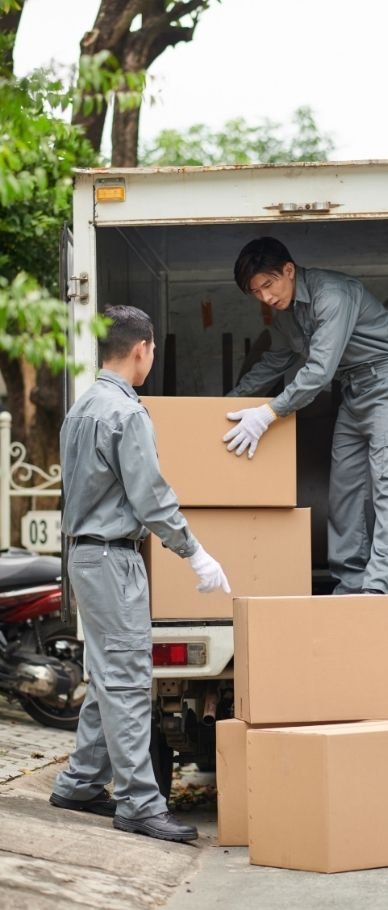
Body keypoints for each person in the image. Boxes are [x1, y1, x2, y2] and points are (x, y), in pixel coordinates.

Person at [50, 305, 230, 843]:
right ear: (141, 350)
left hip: (84, 555)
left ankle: (80, 783)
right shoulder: (126, 413)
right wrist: (195, 553)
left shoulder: (81, 408)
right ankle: (138, 803)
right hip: (112, 558)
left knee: (108, 673)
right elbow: (150, 498)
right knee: (128, 680)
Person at [224, 237, 388, 595]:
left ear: (288, 270)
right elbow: (275, 361)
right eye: (256, 292)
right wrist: (226, 402)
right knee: (345, 490)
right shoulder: (285, 315)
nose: (266, 298)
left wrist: (269, 412)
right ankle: (350, 586)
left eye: (268, 285)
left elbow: (317, 372)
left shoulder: (333, 294)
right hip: (352, 392)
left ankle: (378, 591)